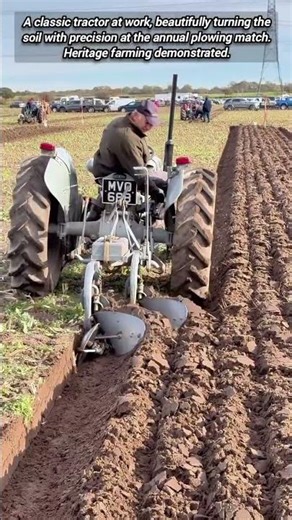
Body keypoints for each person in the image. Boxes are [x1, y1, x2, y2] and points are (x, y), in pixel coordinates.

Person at [89, 100, 166, 217]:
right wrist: (156, 193)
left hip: (105, 168)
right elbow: (139, 175)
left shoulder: (120, 122)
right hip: (122, 174)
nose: (149, 127)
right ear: (136, 115)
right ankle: (159, 216)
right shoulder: (127, 136)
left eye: (151, 124)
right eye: (147, 122)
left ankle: (96, 210)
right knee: (166, 184)